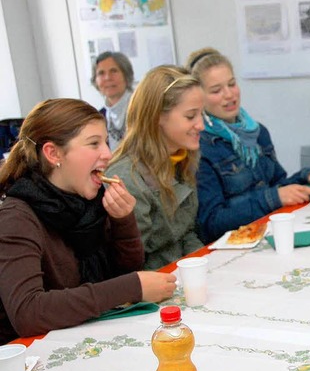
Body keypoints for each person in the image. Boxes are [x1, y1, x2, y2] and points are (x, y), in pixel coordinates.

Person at [0, 98, 176, 344]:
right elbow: (27, 312)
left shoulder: (90, 199)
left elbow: (123, 271)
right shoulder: (16, 217)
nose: (108, 153)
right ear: (53, 153)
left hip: (89, 333)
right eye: (94, 143)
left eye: (105, 141)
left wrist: (123, 220)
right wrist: (129, 287)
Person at [186, 48, 310, 243]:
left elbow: (276, 187)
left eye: (232, 84)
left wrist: (305, 177)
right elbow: (211, 223)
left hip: (269, 233)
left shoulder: (258, 132)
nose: (229, 95)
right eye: (216, 90)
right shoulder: (200, 146)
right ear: (199, 98)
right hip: (235, 244)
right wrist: (273, 198)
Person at [106, 65, 205, 269]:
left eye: (202, 115)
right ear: (157, 116)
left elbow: (186, 233)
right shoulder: (127, 178)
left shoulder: (181, 158)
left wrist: (205, 264)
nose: (201, 125)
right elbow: (132, 261)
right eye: (190, 116)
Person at [90, 51, 135, 151]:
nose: (107, 78)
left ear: (126, 75)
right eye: (101, 73)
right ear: (95, 81)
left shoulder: (142, 107)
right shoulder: (97, 118)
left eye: (113, 71)